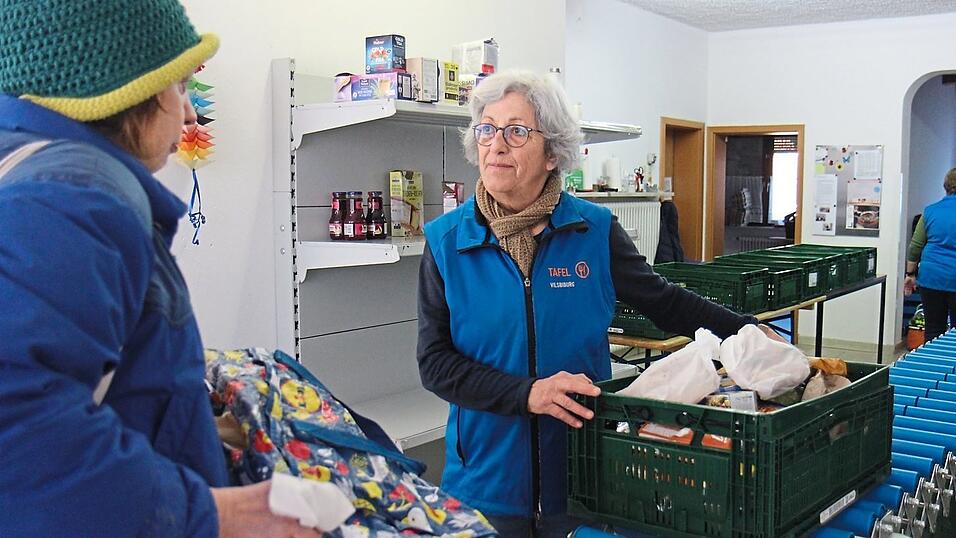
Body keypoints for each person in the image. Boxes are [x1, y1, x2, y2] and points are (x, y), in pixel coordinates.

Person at [416, 70, 784, 537]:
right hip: (483, 482)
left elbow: (664, 301)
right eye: (487, 128)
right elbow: (435, 363)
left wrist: (746, 330)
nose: (496, 145)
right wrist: (528, 393)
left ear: (552, 153)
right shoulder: (447, 243)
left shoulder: (593, 230)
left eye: (516, 131)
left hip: (583, 472)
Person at [0, 1, 317, 536]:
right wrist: (216, 513)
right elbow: (20, 429)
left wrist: (191, 426)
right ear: (127, 91)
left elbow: (92, 384)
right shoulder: (72, 200)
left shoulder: (33, 173)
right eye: (177, 88)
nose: (190, 113)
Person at [904, 167, 956, 342]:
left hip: (931, 277)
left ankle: (933, 367)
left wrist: (910, 274)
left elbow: (915, 246)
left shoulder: (930, 211)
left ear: (946, 186)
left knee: (933, 329)